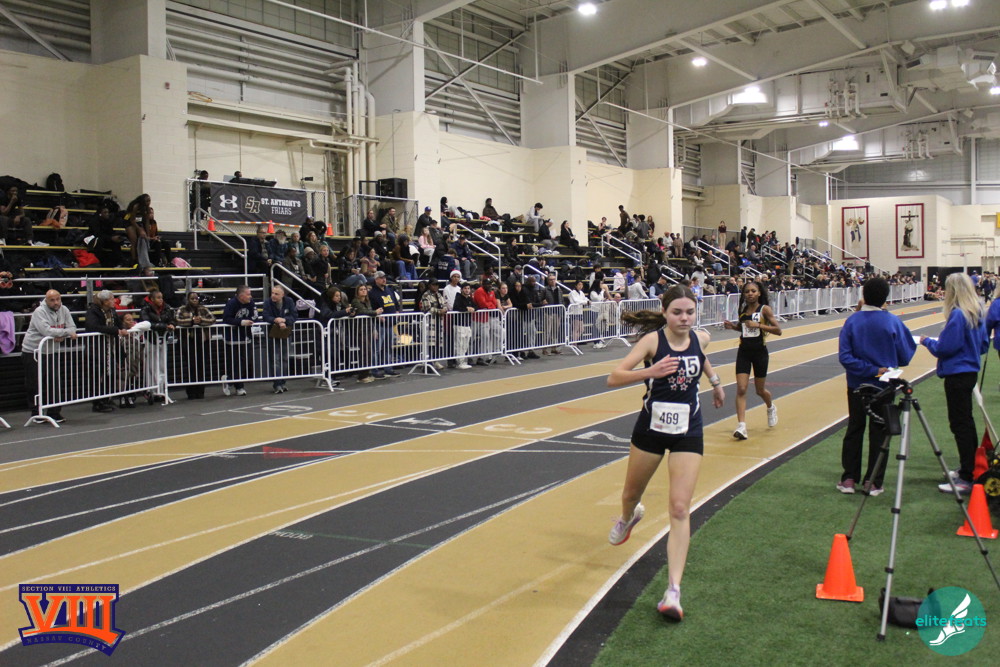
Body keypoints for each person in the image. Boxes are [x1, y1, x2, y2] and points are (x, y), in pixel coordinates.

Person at [607, 285, 725, 621]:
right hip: (652, 429)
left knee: (680, 507)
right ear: (664, 312)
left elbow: (701, 358)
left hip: (689, 429)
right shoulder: (652, 342)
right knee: (631, 495)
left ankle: (673, 591)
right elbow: (613, 378)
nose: (684, 318)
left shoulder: (701, 338)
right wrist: (650, 371)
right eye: (677, 313)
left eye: (690, 312)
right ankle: (629, 517)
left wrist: (716, 383)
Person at [836, 277, 917, 495]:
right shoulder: (892, 321)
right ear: (885, 297)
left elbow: (845, 357)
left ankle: (849, 478)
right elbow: (906, 354)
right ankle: (873, 481)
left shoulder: (852, 321)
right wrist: (882, 367)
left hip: (857, 384)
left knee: (855, 428)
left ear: (863, 295)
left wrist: (869, 369)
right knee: (879, 431)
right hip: (884, 386)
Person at [921, 272, 989, 495]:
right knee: (965, 422)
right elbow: (983, 345)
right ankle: (969, 467)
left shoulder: (958, 315)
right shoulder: (976, 312)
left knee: (960, 423)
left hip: (957, 373)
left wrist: (926, 341)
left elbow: (945, 348)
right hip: (969, 371)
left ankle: (967, 476)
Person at [722, 280, 781, 440]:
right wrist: (733, 327)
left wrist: (759, 325)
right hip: (744, 352)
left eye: (753, 291)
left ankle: (770, 407)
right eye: (747, 291)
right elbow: (744, 328)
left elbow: (778, 330)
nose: (750, 294)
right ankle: (741, 426)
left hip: (760, 353)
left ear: (759, 293)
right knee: (741, 388)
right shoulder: (743, 310)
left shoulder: (765, 309)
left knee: (760, 390)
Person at [22, 290, 77, 422]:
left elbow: (72, 327)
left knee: (54, 382)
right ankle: (36, 413)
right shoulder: (39, 312)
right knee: (34, 383)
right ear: (46, 300)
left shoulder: (64, 309)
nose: (56, 302)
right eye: (52, 300)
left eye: (58, 299)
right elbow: (46, 331)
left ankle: (54, 412)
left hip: (51, 351)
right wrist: (64, 333)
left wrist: (60, 334)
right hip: (33, 351)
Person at [85, 290, 126, 413]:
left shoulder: (112, 311)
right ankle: (98, 402)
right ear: (105, 301)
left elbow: (118, 323)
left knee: (110, 373)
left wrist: (122, 328)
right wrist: (114, 330)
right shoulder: (93, 311)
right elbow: (93, 326)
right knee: (98, 374)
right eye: (112, 299)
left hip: (110, 346)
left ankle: (107, 397)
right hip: (96, 347)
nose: (114, 301)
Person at [175, 291, 216, 399]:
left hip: (202, 341)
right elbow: (178, 320)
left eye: (196, 298)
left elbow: (212, 319)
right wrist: (191, 321)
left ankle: (200, 391)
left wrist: (201, 320)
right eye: (192, 298)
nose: (194, 300)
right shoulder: (182, 309)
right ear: (187, 299)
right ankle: (191, 392)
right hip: (188, 341)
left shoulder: (203, 309)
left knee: (202, 366)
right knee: (191, 366)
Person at [221, 285, 257, 396]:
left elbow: (255, 315)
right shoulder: (231, 303)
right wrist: (241, 322)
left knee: (245, 362)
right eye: (248, 294)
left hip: (246, 336)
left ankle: (229, 380)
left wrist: (249, 321)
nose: (250, 296)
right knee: (236, 362)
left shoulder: (251, 303)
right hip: (232, 338)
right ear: (241, 296)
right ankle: (239, 386)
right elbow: (226, 319)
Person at [263, 285, 297, 394]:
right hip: (272, 335)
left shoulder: (289, 301)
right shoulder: (267, 302)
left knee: (285, 359)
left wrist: (284, 320)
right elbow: (265, 316)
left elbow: (294, 316)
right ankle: (277, 384)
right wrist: (275, 320)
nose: (273, 295)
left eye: (276, 294)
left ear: (282, 295)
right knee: (275, 360)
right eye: (272, 293)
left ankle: (283, 382)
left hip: (286, 333)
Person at [350, 283, 380, 383]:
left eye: (364, 289)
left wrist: (374, 329)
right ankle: (362, 376)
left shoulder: (367, 301)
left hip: (368, 328)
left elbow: (369, 315)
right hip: (360, 330)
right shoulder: (355, 301)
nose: (363, 291)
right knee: (364, 352)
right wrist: (375, 312)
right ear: (357, 292)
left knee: (369, 352)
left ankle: (366, 373)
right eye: (361, 289)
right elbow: (363, 311)